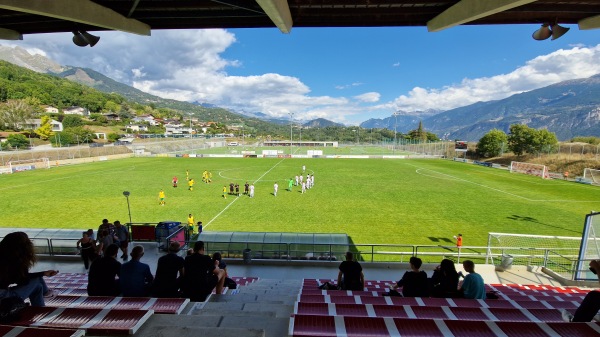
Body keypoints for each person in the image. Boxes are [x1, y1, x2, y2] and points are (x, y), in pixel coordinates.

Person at [0, 232, 58, 306]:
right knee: (37, 283)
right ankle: (46, 294)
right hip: (4, 299)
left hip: (3, 294)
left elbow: (18, 278)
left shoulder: (3, 257)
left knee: (38, 285)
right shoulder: (15, 261)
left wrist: (43, 273)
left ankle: (43, 301)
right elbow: (23, 281)